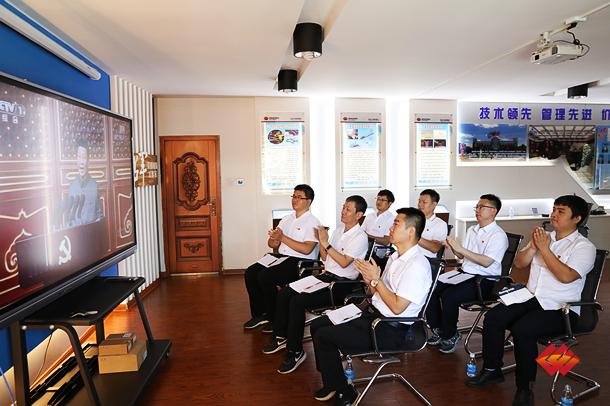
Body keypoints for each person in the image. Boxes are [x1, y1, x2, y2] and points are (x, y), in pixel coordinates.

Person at [466, 195, 596, 406]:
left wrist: (544, 249)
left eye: (561, 211)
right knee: (493, 317)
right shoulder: (544, 237)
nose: (554, 215)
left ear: (577, 218)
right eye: (554, 209)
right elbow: (519, 263)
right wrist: (534, 247)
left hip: (562, 308)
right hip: (531, 297)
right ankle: (491, 370)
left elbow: (566, 276)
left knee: (523, 330)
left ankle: (525, 388)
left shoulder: (584, 247)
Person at [309, 207, 432, 404]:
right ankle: (333, 380)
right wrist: (370, 280)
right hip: (372, 315)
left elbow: (397, 308)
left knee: (325, 336)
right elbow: (378, 293)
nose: (390, 228)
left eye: (396, 224)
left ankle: (345, 392)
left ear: (411, 231)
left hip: (390, 329)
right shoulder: (395, 256)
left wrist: (377, 280)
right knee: (317, 325)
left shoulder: (417, 265)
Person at [263, 196, 369, 374]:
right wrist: (321, 242)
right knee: (286, 293)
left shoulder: (360, 237)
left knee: (297, 302)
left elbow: (344, 263)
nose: (343, 211)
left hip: (342, 285)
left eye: (348, 209)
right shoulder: (338, 231)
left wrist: (325, 243)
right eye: (343, 207)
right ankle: (281, 336)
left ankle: (295, 351)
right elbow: (326, 258)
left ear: (359, 215)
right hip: (326, 276)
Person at [426, 194, 508, 354]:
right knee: (430, 287)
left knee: (450, 296)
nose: (477, 210)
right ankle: (439, 329)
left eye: (481, 207)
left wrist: (460, 249)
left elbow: (486, 262)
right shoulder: (472, 230)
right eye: (477, 206)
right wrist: (453, 247)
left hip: (484, 281)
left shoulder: (498, 235)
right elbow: (462, 256)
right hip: (465, 274)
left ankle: (450, 335)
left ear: (493, 211)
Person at [243, 184, 321, 331]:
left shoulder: (313, 222)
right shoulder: (286, 219)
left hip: (300, 262)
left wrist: (282, 238)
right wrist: (274, 240)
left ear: (309, 201)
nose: (295, 200)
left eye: (299, 197)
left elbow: (306, 249)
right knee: (251, 272)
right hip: (281, 257)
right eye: (294, 196)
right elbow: (272, 243)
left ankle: (274, 317)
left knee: (265, 276)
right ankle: (261, 314)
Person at [59, 139, 102, 228]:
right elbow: (69, 219)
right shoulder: (72, 187)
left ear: (88, 161)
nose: (81, 162)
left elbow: (99, 214)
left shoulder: (94, 185)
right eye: (79, 157)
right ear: (76, 160)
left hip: (91, 232)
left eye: (84, 157)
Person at [417, 189, 449, 258]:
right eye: (419, 201)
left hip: (425, 259)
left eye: (424, 202)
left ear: (434, 204)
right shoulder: (413, 219)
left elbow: (434, 248)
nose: (420, 205)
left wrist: (414, 237)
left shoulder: (440, 224)